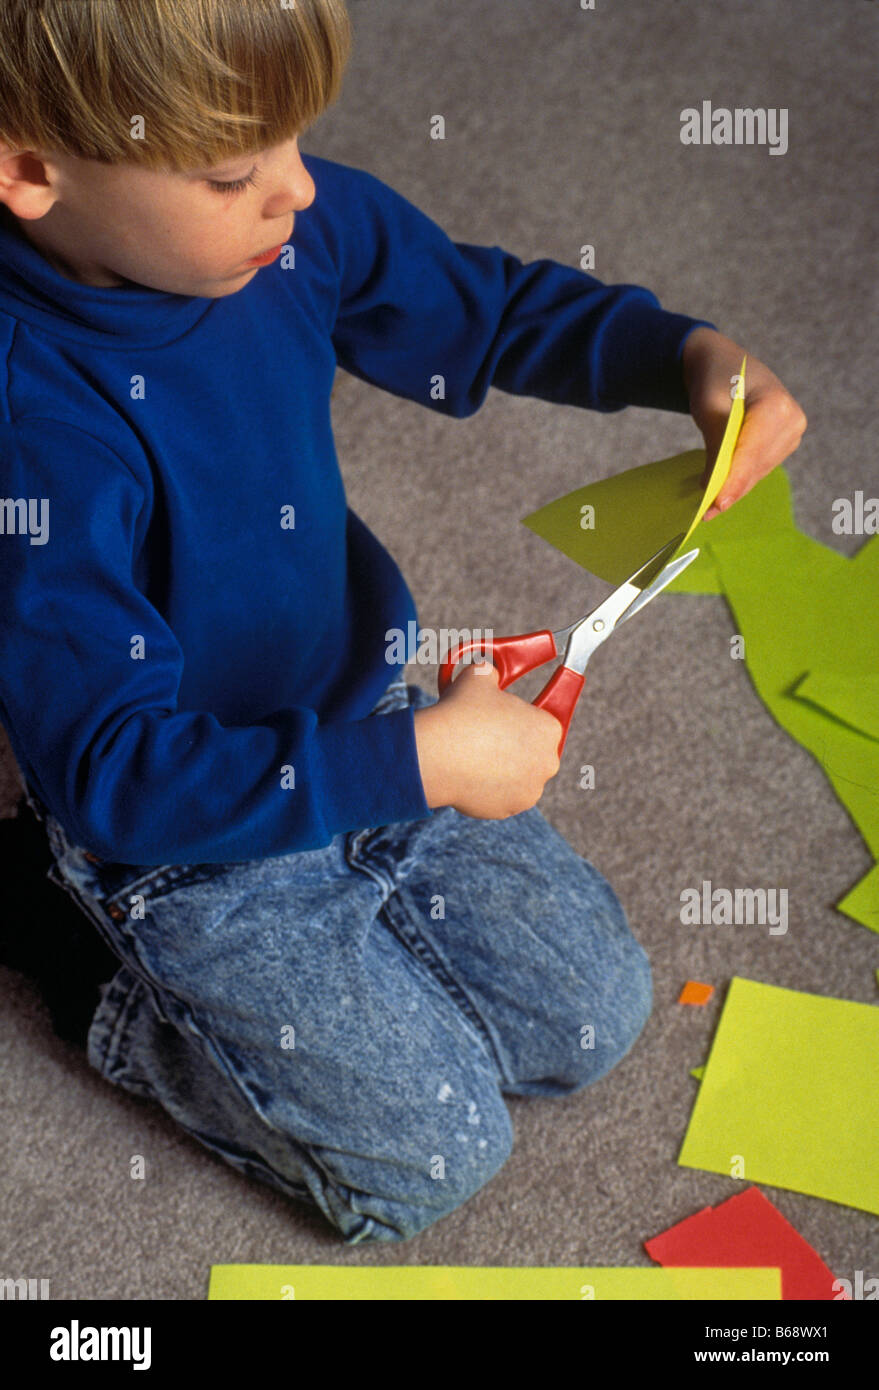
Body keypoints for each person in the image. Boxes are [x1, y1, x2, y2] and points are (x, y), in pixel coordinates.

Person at [0, 0, 806, 1244]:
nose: (297, 196)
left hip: (356, 700)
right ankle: (93, 974)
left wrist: (682, 355)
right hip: (183, 832)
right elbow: (113, 770)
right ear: (28, 169)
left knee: (589, 1016)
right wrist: (426, 762)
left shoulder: (281, 236)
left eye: (294, 145)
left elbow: (476, 310)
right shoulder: (32, 428)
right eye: (232, 173)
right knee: (430, 1160)